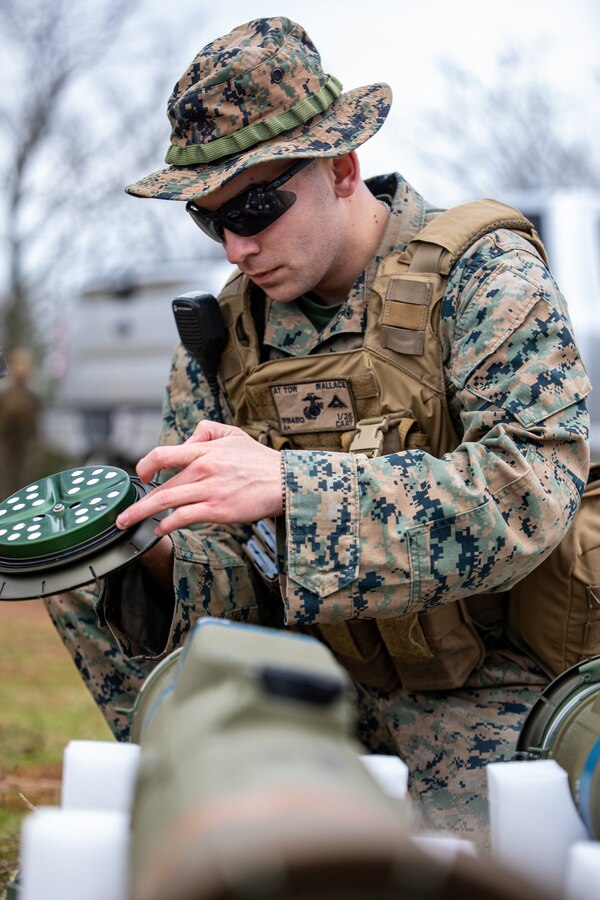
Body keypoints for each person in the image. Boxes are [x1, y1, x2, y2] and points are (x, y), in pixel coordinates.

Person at [45, 17, 590, 849]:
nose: (237, 244)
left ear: (341, 167)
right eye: (210, 219)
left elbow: (528, 493)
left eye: (258, 205)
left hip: (480, 680)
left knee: (485, 869)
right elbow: (229, 581)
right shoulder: (222, 335)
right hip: (308, 674)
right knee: (94, 566)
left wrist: (294, 487)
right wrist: (153, 553)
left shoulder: (483, 273)